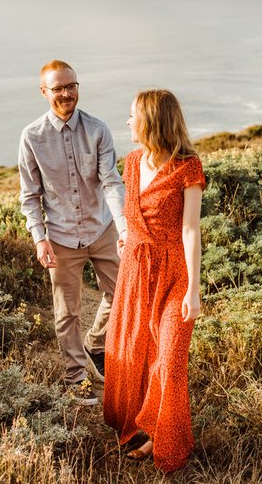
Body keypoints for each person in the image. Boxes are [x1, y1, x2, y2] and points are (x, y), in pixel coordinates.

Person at [103, 89, 205, 473]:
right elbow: (134, 212)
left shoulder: (187, 167)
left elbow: (191, 231)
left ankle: (169, 442)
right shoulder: (130, 163)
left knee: (170, 359)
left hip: (174, 273)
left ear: (151, 120)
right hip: (134, 269)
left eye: (132, 115)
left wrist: (194, 289)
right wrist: (128, 233)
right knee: (134, 353)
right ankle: (143, 432)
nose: (127, 122)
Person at [18, 60, 127, 405]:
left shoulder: (98, 130)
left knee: (124, 292)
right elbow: (30, 196)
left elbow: (111, 182)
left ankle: (96, 345)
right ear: (44, 92)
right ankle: (75, 377)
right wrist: (39, 237)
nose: (66, 94)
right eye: (58, 88)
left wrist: (123, 228)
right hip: (61, 237)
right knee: (67, 311)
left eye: (71, 86)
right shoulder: (31, 137)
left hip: (102, 228)